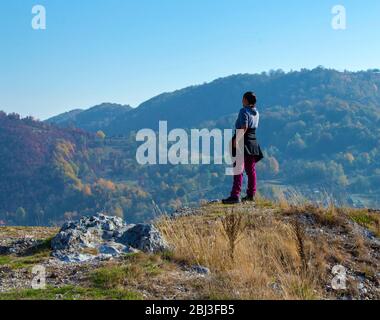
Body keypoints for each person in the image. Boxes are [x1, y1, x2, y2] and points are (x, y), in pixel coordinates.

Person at [222, 92, 264, 204]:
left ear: (246, 100)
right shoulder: (256, 112)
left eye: (243, 99)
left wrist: (236, 140)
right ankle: (251, 195)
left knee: (238, 169)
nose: (242, 101)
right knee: (251, 170)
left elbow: (244, 127)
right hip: (253, 141)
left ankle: (235, 195)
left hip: (242, 141)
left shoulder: (243, 111)